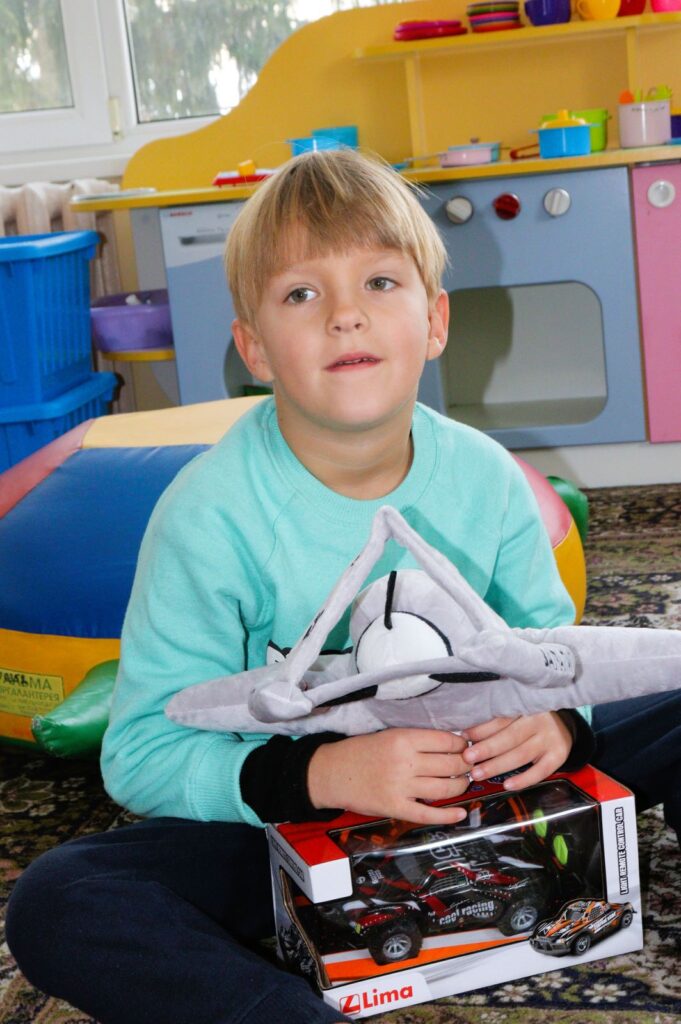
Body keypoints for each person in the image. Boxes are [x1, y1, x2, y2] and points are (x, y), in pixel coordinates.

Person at [6, 149, 679, 1024]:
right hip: (297, 821)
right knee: (59, 899)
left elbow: (555, 656)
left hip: (488, 779)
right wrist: (323, 773)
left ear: (434, 320)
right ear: (253, 346)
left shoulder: (485, 477)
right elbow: (140, 750)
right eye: (300, 293)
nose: (345, 316)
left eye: (379, 283)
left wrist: (555, 723)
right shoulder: (209, 516)